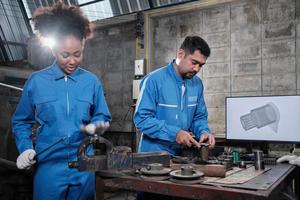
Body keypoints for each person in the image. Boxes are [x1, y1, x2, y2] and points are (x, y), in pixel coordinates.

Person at [11, 2, 111, 200]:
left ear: (83, 46)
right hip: (49, 167)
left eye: (77, 54)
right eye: (65, 55)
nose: (72, 61)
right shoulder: (36, 82)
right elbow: (21, 121)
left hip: (84, 165)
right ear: (54, 50)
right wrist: (25, 148)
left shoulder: (91, 81)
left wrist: (97, 125)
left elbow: (102, 115)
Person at [134, 35, 215, 156]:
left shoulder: (197, 84)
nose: (197, 69)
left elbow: (198, 117)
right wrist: (175, 133)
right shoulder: (153, 80)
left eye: (201, 65)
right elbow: (142, 119)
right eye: (194, 62)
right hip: (153, 156)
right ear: (180, 54)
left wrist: (203, 131)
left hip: (180, 155)